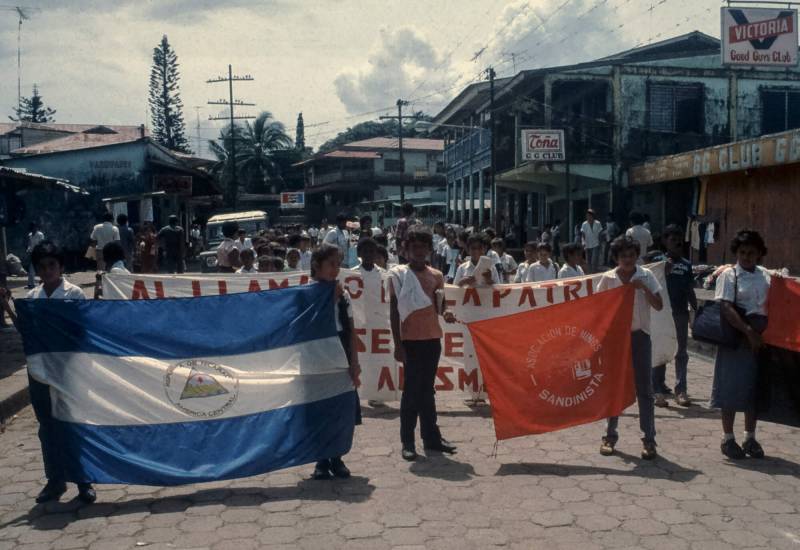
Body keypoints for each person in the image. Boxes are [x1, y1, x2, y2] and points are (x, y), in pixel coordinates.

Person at [0, 241, 97, 504]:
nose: (47, 271)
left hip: (69, 371)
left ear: (61, 266)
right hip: (41, 372)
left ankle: (83, 480)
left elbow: (82, 330)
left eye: (52, 265)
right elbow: (26, 333)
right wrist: (7, 306)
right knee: (48, 428)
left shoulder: (74, 294)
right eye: (42, 267)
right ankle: (55, 481)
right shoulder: (32, 299)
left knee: (73, 425)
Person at [389, 226, 457, 461]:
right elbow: (394, 312)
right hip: (410, 342)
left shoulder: (437, 275)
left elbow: (442, 304)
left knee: (428, 391)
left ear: (429, 250)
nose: (418, 252)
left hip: (432, 339)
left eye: (423, 247)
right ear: (406, 250)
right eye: (414, 247)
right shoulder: (398, 275)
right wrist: (398, 345)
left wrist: (447, 313)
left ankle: (432, 439)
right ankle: (407, 441)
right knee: (411, 392)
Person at [598, 236, 664, 460]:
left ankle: (649, 440)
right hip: (616, 340)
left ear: (637, 256)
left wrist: (642, 288)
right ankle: (609, 436)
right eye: (622, 255)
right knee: (614, 387)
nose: (627, 259)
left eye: (631, 255)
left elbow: (658, 304)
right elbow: (599, 309)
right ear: (616, 258)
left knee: (645, 389)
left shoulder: (646, 276)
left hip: (640, 337)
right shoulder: (608, 278)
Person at [712, 230, 774, 460]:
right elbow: (726, 307)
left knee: (753, 388)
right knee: (730, 387)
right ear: (736, 253)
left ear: (759, 254)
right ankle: (728, 438)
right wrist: (748, 332)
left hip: (761, 339)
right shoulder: (729, 275)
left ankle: (750, 437)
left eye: (752, 253)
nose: (747, 257)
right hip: (736, 337)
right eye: (743, 252)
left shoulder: (765, 276)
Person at [309, 244, 361, 479]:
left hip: (339, 353)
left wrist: (354, 362)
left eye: (338, 264)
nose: (335, 269)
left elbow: (351, 331)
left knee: (339, 409)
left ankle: (337, 458)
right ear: (316, 266)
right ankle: (320, 461)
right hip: (315, 356)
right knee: (319, 409)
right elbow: (308, 326)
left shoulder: (344, 295)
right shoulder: (307, 293)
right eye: (330, 264)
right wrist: (328, 300)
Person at [652, 225, 697, 408]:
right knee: (661, 350)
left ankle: (681, 390)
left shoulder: (686, 264)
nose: (677, 242)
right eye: (673, 239)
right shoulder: (657, 261)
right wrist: (663, 266)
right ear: (665, 242)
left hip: (680, 313)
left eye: (679, 239)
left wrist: (695, 311)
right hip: (661, 314)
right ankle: (657, 389)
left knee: (681, 352)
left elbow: (689, 289)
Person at [581, 209, 603, 273]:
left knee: (594, 261)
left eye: (590, 215)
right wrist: (583, 243)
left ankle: (594, 273)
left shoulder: (598, 223)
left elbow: (600, 234)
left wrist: (600, 243)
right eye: (587, 215)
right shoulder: (584, 224)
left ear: (593, 216)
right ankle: (590, 273)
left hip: (596, 244)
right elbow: (583, 235)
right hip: (587, 244)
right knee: (588, 261)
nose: (588, 217)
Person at [25, 222, 45, 289]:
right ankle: (31, 284)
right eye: (32, 228)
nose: (34, 229)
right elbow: (29, 244)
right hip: (32, 253)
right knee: (31, 269)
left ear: (36, 227)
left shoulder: (40, 235)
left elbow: (42, 244)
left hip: (38, 253)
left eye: (35, 227)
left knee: (41, 268)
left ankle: (44, 282)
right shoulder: (30, 235)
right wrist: (28, 250)